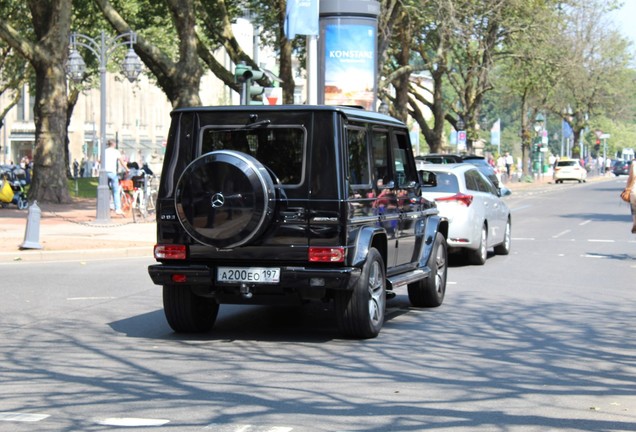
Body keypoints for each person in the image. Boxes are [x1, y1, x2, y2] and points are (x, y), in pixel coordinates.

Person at [104, 139, 128, 215]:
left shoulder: (104, 151)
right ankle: (117, 208)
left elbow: (99, 160)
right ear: (114, 144)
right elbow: (121, 162)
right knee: (115, 191)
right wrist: (127, 169)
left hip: (104, 173)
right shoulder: (116, 152)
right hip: (112, 172)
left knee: (105, 190)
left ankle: (105, 207)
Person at [625, 159, 636, 234]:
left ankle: (635, 222)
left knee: (634, 209)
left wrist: (627, 188)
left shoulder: (634, 164)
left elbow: (631, 177)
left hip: (634, 191)